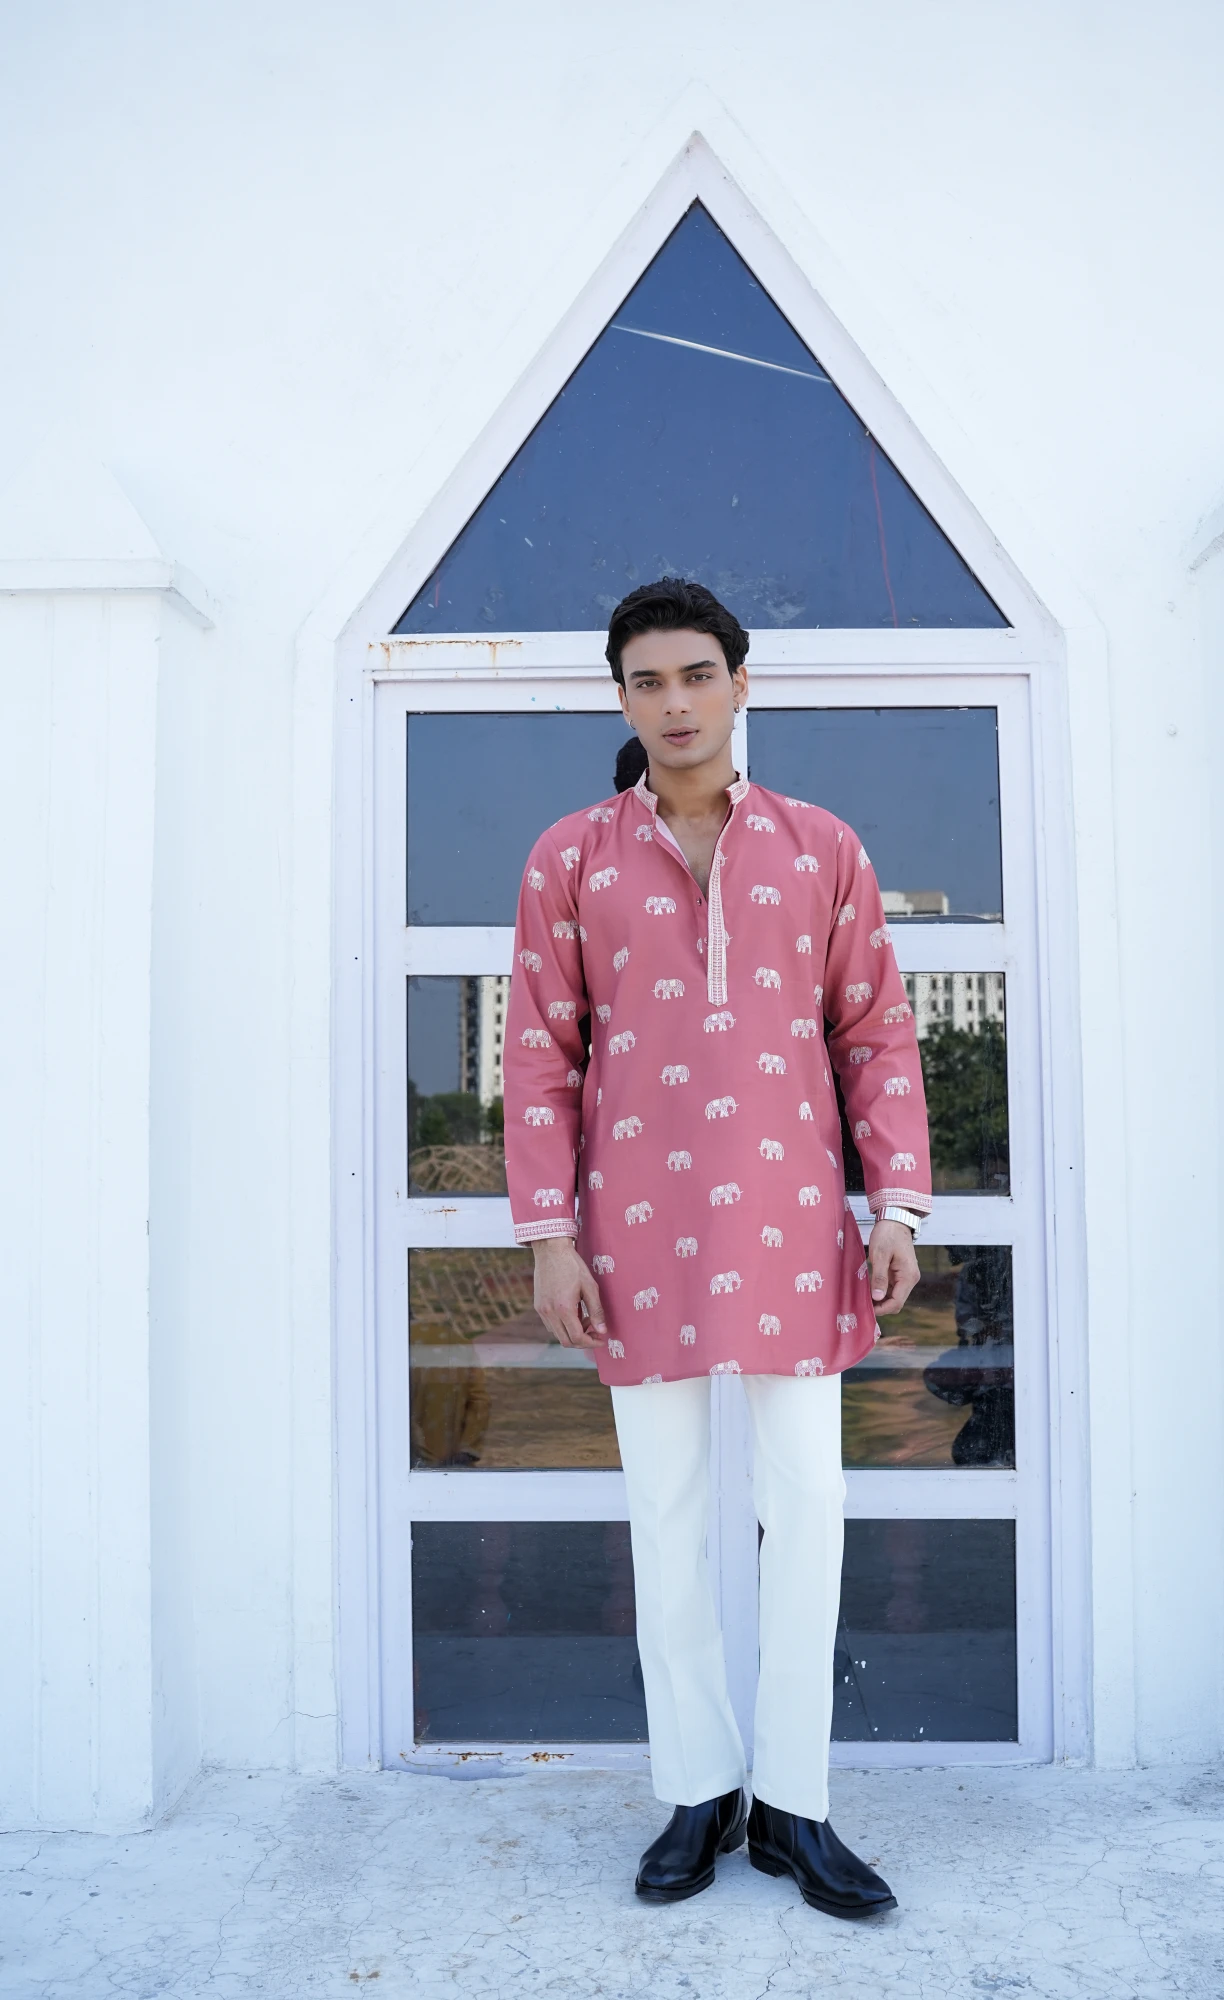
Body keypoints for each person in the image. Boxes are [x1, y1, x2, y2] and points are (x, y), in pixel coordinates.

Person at [502, 577, 933, 1919]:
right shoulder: (570, 857)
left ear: (741, 685)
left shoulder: (820, 848)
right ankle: (699, 1787)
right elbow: (539, 1055)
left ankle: (795, 1803)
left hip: (794, 1225)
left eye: (697, 675)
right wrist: (549, 1236)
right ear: (622, 698)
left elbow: (875, 1031)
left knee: (809, 1512)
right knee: (669, 1516)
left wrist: (896, 1205)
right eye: (649, 681)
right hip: (631, 1235)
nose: (675, 702)